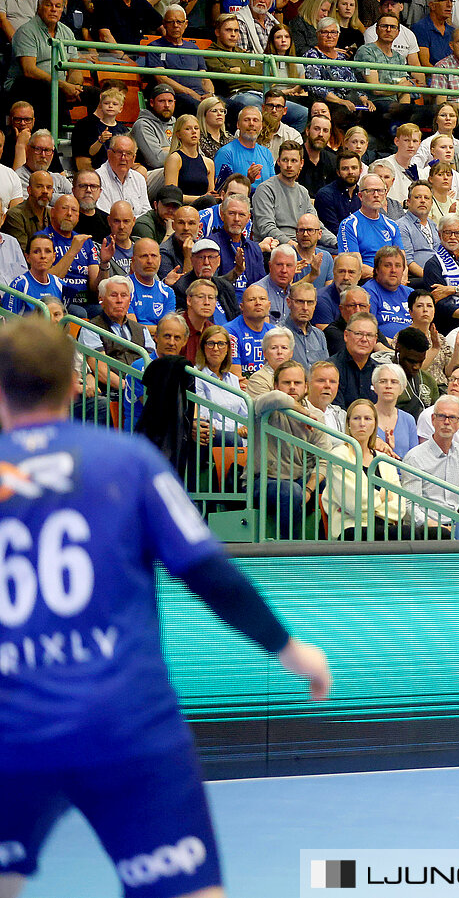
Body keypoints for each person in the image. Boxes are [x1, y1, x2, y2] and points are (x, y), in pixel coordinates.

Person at [0, 317, 332, 895]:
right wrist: (288, 647)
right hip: (125, 725)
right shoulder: (126, 461)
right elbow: (208, 572)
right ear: (75, 386)